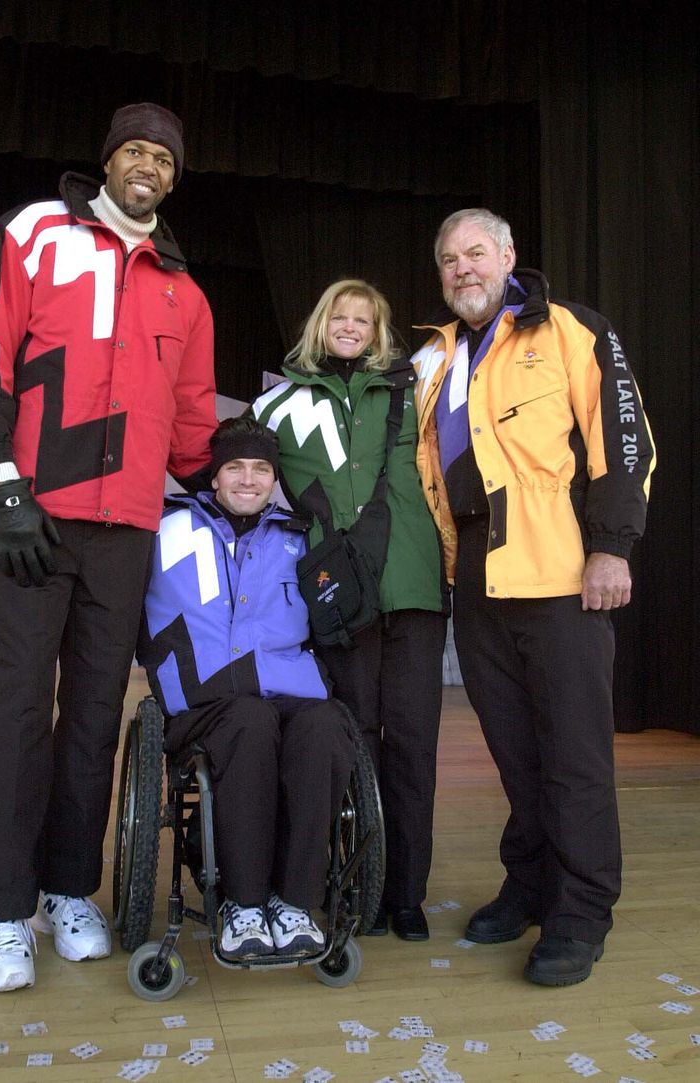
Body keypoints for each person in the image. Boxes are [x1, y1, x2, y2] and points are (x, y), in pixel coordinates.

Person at [0, 102, 218, 993]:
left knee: (96, 715)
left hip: (126, 528)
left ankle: (68, 887)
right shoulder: (33, 232)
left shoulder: (187, 291)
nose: (149, 167)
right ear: (106, 162)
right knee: (19, 709)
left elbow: (191, 428)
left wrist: (246, 476)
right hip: (34, 515)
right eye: (134, 152)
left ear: (174, 177)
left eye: (164, 160)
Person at [412, 208, 655, 986]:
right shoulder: (437, 356)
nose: (462, 269)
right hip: (479, 576)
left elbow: (624, 437)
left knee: (575, 755)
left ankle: (581, 912)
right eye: (449, 259)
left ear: (508, 255)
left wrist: (611, 547)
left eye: (475, 253)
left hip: (562, 576)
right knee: (516, 753)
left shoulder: (570, 328)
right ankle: (532, 881)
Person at [251, 280, 448, 941]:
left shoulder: (413, 391)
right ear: (320, 321)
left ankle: (407, 894)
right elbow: (233, 471)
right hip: (338, 595)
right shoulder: (276, 403)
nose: (351, 325)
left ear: (378, 329)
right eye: (340, 313)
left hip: (415, 585)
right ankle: (357, 881)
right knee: (353, 736)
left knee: (414, 745)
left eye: (364, 318)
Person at [139, 418, 355, 959]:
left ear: (274, 478)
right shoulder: (166, 526)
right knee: (250, 724)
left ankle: (296, 902)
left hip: (289, 694)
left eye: (261, 469)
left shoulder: (300, 535)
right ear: (214, 476)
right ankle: (244, 902)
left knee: (328, 726)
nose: (248, 479)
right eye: (234, 467)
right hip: (208, 702)